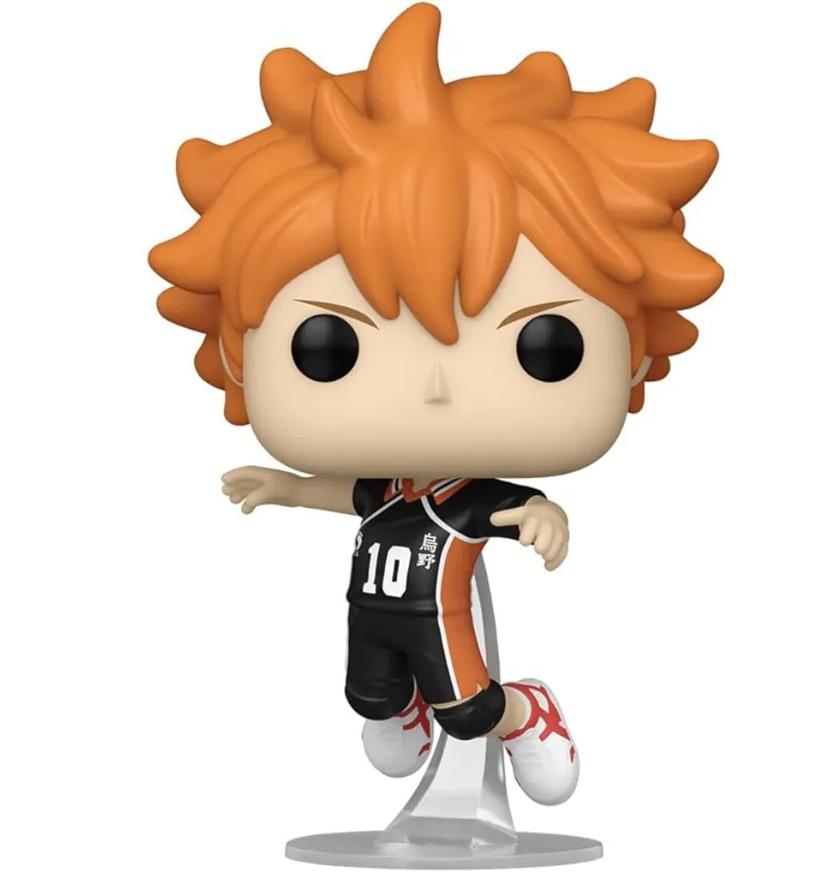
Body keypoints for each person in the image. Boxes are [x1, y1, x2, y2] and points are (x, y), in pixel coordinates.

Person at [151, 2, 722, 806]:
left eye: (546, 345)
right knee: (371, 699)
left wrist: (544, 516)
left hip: (444, 627)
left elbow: (520, 511)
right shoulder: (392, 490)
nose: (436, 388)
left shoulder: (463, 501)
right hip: (375, 620)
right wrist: (286, 489)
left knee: (471, 709)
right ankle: (405, 714)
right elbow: (348, 496)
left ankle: (528, 713)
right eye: (329, 346)